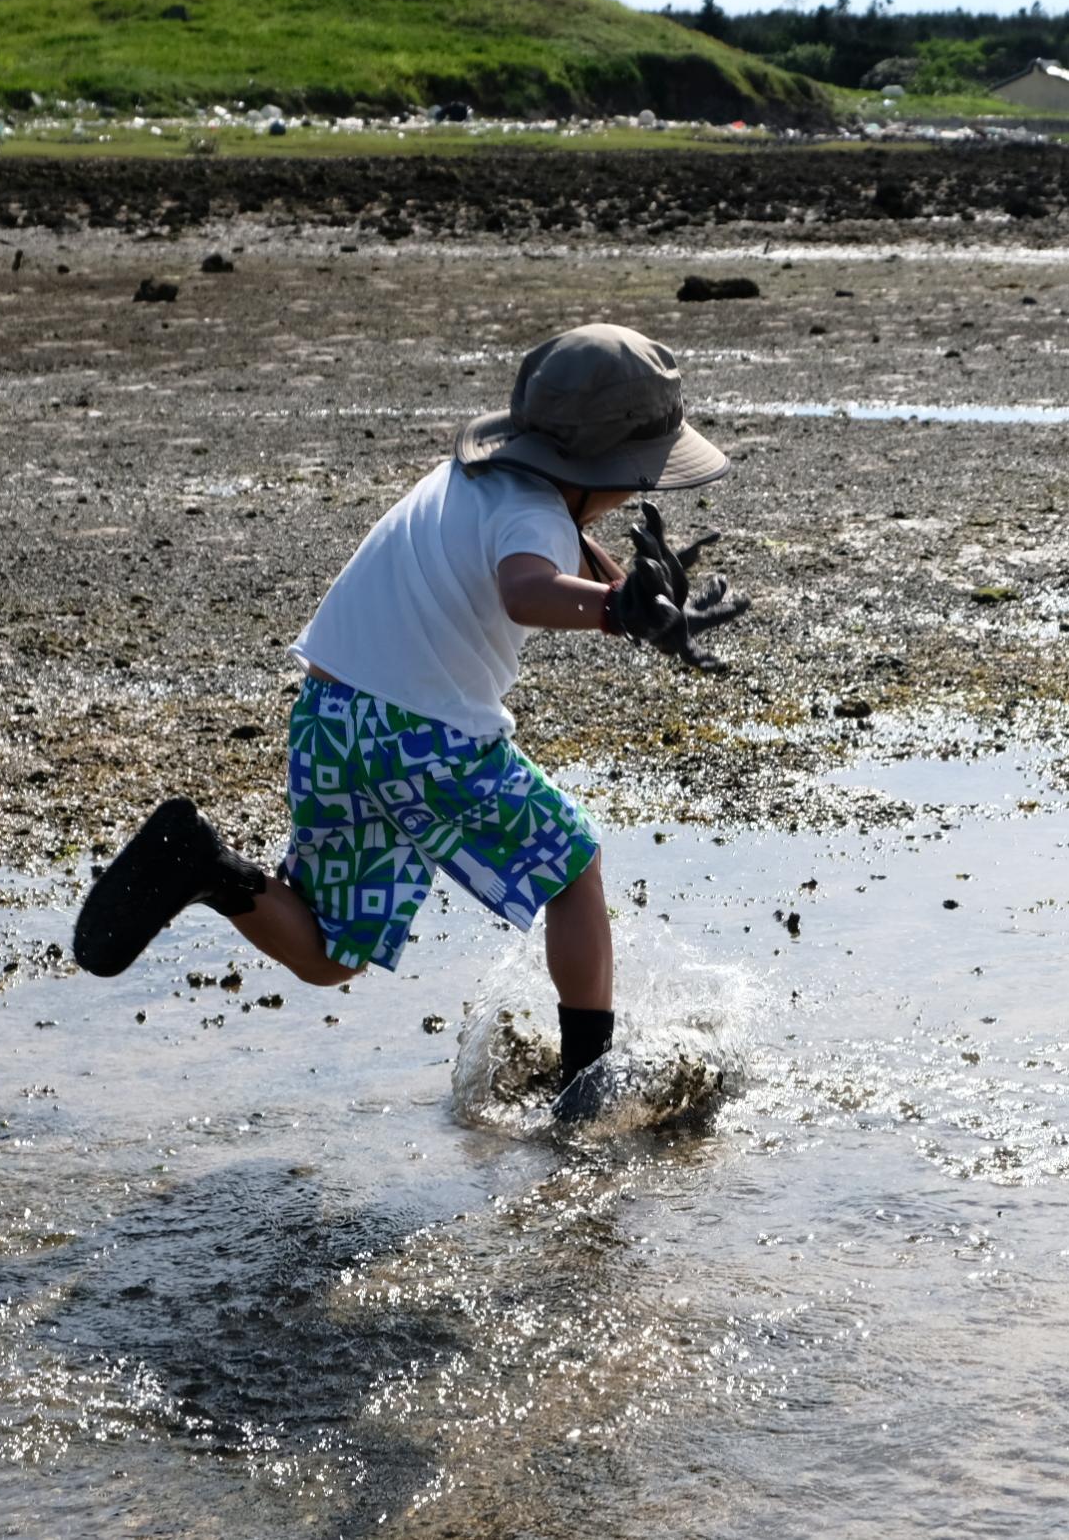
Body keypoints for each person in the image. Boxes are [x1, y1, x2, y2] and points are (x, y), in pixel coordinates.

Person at [69, 323, 747, 1120]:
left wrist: (628, 593)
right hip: (427, 739)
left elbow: (561, 550)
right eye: (638, 479)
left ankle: (208, 867)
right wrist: (615, 613)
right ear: (607, 467)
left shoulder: (472, 480)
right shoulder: (533, 515)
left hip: (330, 716)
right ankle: (585, 1090)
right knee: (575, 868)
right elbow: (526, 587)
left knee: (329, 952)